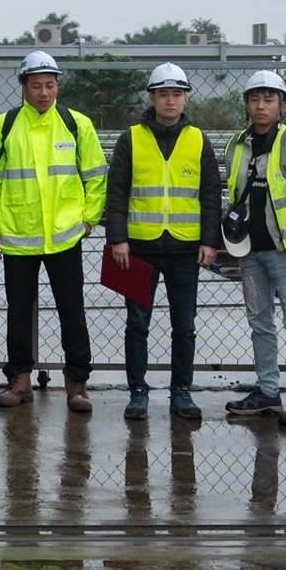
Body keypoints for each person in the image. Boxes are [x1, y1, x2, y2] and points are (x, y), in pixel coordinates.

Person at [0, 50, 108, 412]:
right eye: (36, 85)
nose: (43, 93)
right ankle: (19, 380)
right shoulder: (4, 127)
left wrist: (88, 219)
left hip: (66, 236)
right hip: (19, 236)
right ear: (24, 87)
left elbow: (96, 176)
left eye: (50, 85)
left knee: (72, 310)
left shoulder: (76, 125)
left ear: (57, 87)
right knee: (19, 311)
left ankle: (77, 383)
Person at [105, 63, 224, 422]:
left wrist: (209, 240)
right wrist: (117, 239)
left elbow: (211, 194)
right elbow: (117, 191)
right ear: (152, 98)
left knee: (184, 325)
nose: (170, 101)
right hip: (138, 248)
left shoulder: (199, 139)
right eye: (163, 94)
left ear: (185, 98)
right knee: (137, 324)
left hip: (186, 249)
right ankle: (137, 393)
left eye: (177, 94)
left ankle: (181, 393)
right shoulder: (131, 138)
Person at [222, 70, 286, 426]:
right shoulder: (236, 145)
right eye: (254, 99)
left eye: (269, 99)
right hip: (249, 251)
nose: (260, 106)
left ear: (282, 105)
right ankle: (267, 391)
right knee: (259, 322)